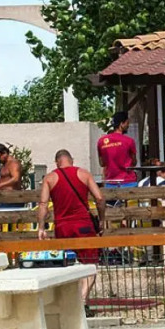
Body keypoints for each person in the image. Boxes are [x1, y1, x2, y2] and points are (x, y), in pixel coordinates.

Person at [37, 149, 108, 296]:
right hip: (84, 225)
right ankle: (83, 299)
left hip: (62, 227)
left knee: (66, 266)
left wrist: (41, 227)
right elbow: (100, 199)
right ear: (72, 160)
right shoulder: (84, 174)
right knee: (90, 265)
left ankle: (71, 302)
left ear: (57, 162)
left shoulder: (49, 178)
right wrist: (101, 219)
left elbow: (43, 204)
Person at [97, 112, 138, 186]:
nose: (128, 125)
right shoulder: (129, 141)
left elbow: (102, 163)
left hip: (110, 183)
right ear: (121, 124)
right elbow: (134, 162)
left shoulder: (101, 141)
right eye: (127, 123)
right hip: (128, 182)